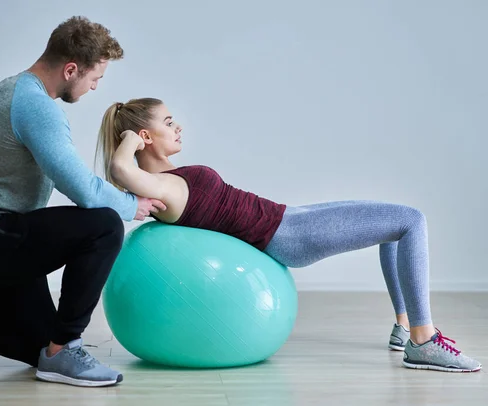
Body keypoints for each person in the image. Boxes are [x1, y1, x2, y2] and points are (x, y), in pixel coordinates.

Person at [94, 97, 482, 373]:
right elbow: (120, 170)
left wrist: (135, 141)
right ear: (145, 136)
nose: (177, 126)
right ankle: (423, 340)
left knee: (395, 226)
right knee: (411, 220)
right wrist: (129, 142)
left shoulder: (169, 179)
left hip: (289, 217)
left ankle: (405, 327)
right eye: (167, 122)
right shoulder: (165, 186)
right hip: (290, 234)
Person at [0, 17, 165, 387]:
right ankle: (66, 348)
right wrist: (134, 205)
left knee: (39, 345)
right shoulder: (35, 106)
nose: (95, 87)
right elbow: (83, 190)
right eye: (94, 78)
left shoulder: (19, 94)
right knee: (104, 224)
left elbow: (69, 182)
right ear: (71, 70)